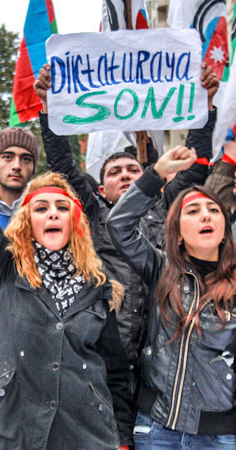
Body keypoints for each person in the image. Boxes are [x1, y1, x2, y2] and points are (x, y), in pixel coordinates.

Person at [0, 84, 131, 449]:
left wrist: (120, 436)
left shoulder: (97, 285)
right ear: (28, 222)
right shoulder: (4, 267)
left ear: (76, 222)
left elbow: (115, 369)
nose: (52, 214)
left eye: (62, 208)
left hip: (84, 432)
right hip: (11, 430)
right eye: (41, 208)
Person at [34, 62, 219, 403]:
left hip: (161, 355)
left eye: (133, 170)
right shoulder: (91, 214)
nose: (125, 175)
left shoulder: (167, 207)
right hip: (105, 357)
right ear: (100, 189)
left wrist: (205, 105)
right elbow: (62, 166)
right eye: (115, 172)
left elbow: (196, 168)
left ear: (149, 176)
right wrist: (49, 107)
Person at [107, 147, 236, 448]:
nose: (205, 215)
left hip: (219, 436)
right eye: (192, 211)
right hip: (156, 429)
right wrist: (155, 174)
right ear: (176, 232)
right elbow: (118, 225)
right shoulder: (161, 268)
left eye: (213, 210)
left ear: (224, 229)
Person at [0, 127, 39, 229]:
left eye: (26, 159)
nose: (17, 166)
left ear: (33, 169)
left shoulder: (47, 218)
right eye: (8, 157)